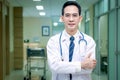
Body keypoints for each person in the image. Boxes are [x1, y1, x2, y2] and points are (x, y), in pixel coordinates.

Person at [47, 1, 97, 80]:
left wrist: (63, 67)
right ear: (62, 18)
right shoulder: (53, 41)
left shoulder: (89, 41)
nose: (71, 19)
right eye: (67, 15)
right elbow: (54, 66)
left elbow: (89, 69)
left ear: (80, 18)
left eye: (74, 15)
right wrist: (81, 65)